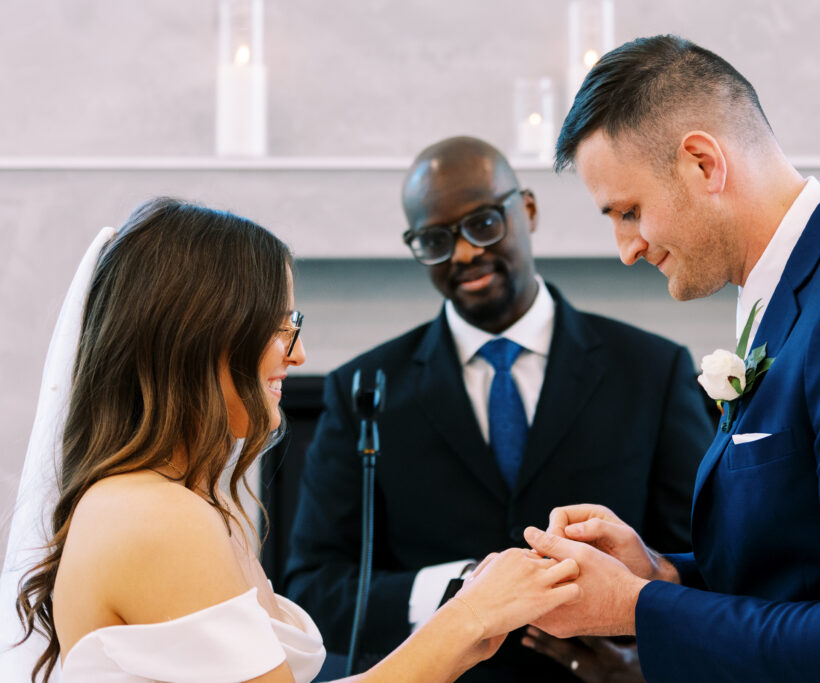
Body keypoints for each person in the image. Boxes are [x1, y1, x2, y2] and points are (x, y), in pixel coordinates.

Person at [518, 34, 820, 682]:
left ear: (702, 162)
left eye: (630, 211)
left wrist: (638, 606)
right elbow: (806, 567)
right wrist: (660, 571)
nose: (627, 248)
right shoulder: (805, 294)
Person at [0, 198, 581, 683]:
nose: (298, 355)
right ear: (205, 336)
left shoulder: (164, 500)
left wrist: (469, 619)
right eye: (282, 328)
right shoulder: (154, 516)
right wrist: (473, 615)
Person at [283, 136, 713, 682]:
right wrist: (463, 587)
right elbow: (313, 590)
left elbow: (703, 559)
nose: (464, 253)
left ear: (527, 210)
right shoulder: (363, 388)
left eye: (483, 224)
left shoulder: (652, 370)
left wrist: (649, 660)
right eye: (435, 240)